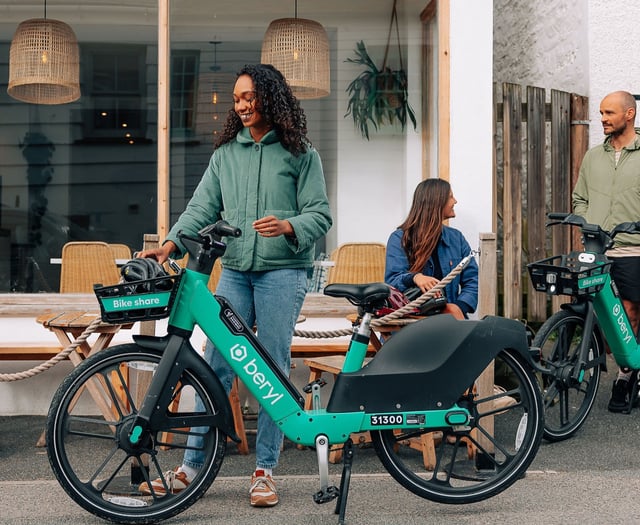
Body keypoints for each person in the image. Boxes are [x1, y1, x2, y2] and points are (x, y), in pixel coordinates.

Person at [136, 63, 332, 506]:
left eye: (249, 97)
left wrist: (287, 224)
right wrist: (168, 244)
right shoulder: (226, 154)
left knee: (272, 368)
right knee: (215, 364)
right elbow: (201, 207)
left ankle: (264, 470)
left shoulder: (302, 154)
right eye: (237, 99)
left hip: (284, 273)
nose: (242, 106)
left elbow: (320, 214)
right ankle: (191, 466)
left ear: (270, 98)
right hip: (237, 271)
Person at [572, 90, 640, 413]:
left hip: (632, 249)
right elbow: (579, 198)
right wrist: (590, 223)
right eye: (600, 113)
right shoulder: (592, 157)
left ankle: (625, 377)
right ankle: (614, 363)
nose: (602, 119)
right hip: (597, 250)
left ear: (630, 115)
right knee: (598, 316)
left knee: (628, 312)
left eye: (609, 113)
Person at [384, 178, 478, 319]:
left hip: (449, 323)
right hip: (409, 322)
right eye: (451, 197)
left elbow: (473, 280)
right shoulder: (399, 239)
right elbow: (392, 280)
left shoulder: (456, 238)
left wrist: (458, 307)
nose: (455, 201)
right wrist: (416, 277)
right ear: (436, 202)